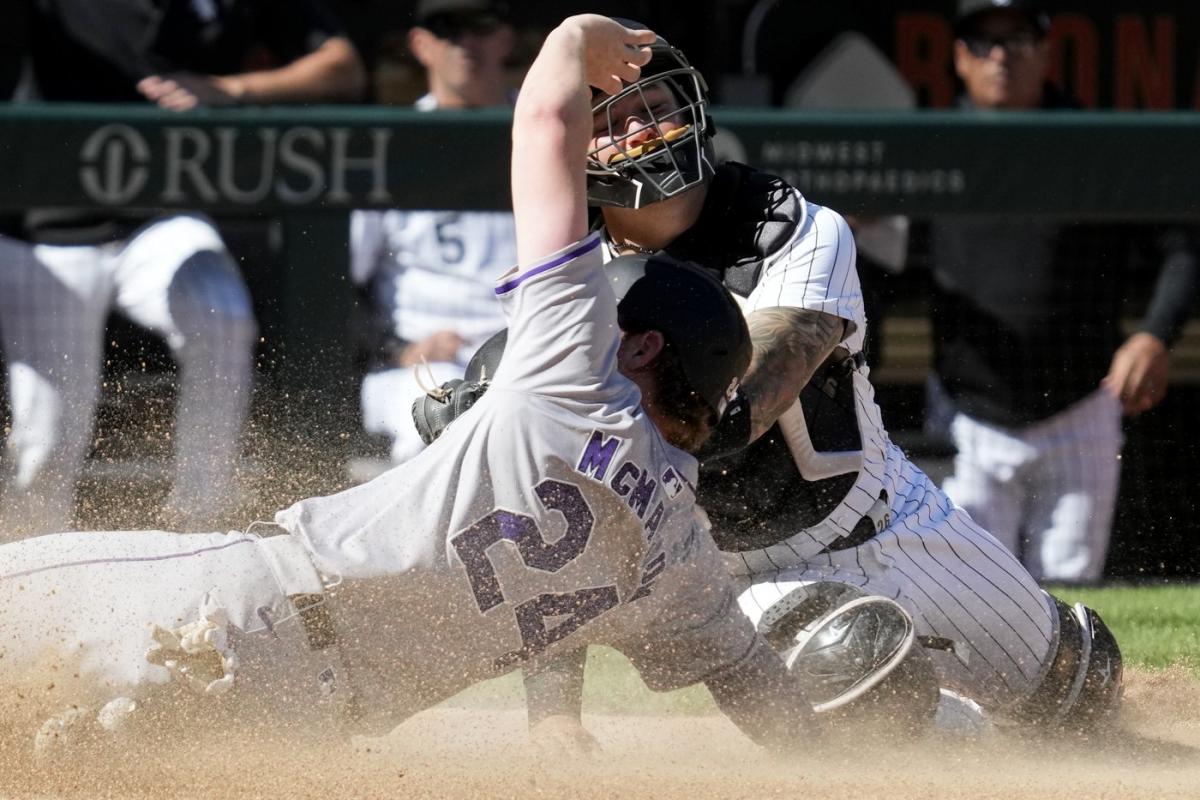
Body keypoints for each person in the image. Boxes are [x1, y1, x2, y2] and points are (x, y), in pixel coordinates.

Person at [0, 16, 819, 761]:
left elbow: (542, 125)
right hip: (297, 724)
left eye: (618, 322)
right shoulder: (681, 553)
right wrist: (847, 766)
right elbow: (755, 682)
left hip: (236, 602)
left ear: (641, 346)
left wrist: (573, 38)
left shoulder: (574, 383)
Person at [434, 16, 1122, 743]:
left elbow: (733, 418)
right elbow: (559, 518)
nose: (640, 131)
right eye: (613, 122)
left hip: (889, 518)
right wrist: (553, 717)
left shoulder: (791, 226)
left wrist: (571, 418)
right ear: (581, 151)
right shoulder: (571, 287)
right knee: (860, 690)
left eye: (655, 108)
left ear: (693, 109)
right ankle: (976, 753)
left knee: (1080, 686)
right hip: (739, 578)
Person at [0, 0, 367, 537]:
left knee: (220, 316)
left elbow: (343, 67)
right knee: (47, 438)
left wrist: (232, 88)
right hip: (47, 230)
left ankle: (198, 533)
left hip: (159, 217)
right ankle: (27, 584)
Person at [926, 0, 1199, 582]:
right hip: (966, 413)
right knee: (969, 596)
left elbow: (1184, 248)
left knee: (1071, 599)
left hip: (1080, 404)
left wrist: (1155, 335)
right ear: (958, 57)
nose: (1001, 56)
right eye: (983, 42)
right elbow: (874, 262)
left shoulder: (1093, 143)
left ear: (1046, 51)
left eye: (1018, 40)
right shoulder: (930, 144)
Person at [352, 0, 514, 465]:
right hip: (425, 359)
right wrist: (397, 349)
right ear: (420, 44)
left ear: (504, 37)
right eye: (447, 29)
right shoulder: (392, 144)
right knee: (437, 424)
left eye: (478, 25)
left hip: (529, 353)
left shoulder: (553, 131)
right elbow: (334, 286)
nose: (464, 42)